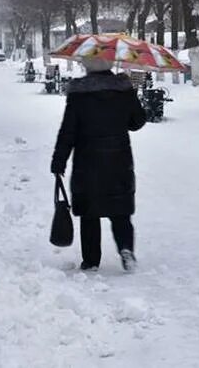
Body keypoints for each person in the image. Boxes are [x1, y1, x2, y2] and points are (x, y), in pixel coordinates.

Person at [51, 58, 146, 272]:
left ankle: (91, 260)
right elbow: (138, 121)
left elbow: (68, 131)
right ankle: (126, 250)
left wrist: (58, 162)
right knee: (120, 211)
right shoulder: (123, 90)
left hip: (88, 161)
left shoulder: (79, 94)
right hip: (118, 159)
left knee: (89, 212)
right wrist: (131, 97)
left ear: (87, 66)